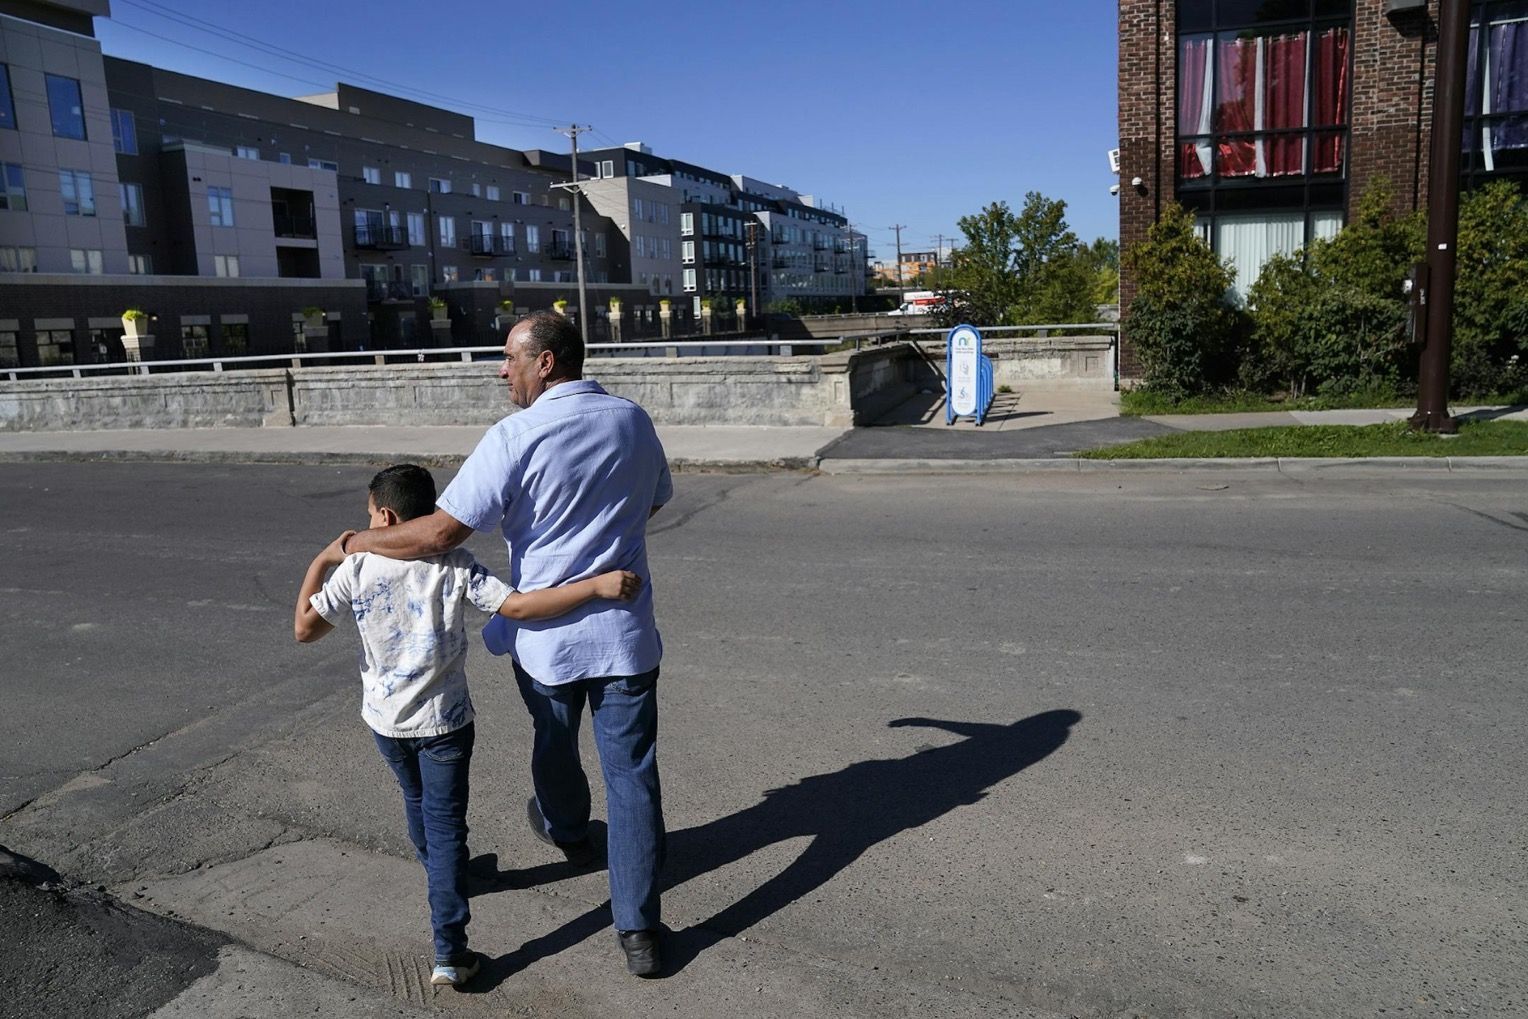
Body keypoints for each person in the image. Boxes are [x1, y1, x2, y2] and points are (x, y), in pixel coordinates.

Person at [338, 311, 673, 977]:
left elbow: (439, 534)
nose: (502, 370)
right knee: (632, 775)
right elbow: (655, 500)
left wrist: (357, 542)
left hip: (547, 638)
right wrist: (604, 536)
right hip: (625, 633)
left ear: (545, 362)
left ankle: (568, 826)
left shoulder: (515, 435)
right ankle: (638, 930)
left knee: (554, 740)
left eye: (510, 359)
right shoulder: (632, 419)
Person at [293, 462, 643, 987]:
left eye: (367, 515)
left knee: (419, 808)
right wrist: (595, 587)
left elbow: (305, 630)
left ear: (384, 516)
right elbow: (521, 607)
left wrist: (324, 557)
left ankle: (443, 878)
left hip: (386, 722)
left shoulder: (356, 568)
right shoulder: (454, 565)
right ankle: (450, 950)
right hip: (446, 723)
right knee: (446, 826)